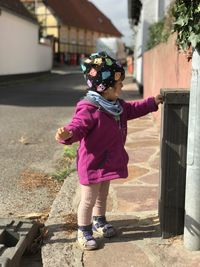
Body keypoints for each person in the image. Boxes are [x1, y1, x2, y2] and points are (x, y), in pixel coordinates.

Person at [55, 51, 163, 251]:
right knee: (87, 199)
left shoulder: (116, 105)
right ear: (105, 88)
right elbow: (78, 127)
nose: (122, 87)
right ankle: (84, 230)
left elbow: (134, 109)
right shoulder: (89, 108)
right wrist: (67, 134)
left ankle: (99, 221)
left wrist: (151, 103)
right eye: (119, 84)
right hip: (92, 164)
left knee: (102, 195)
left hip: (107, 161)